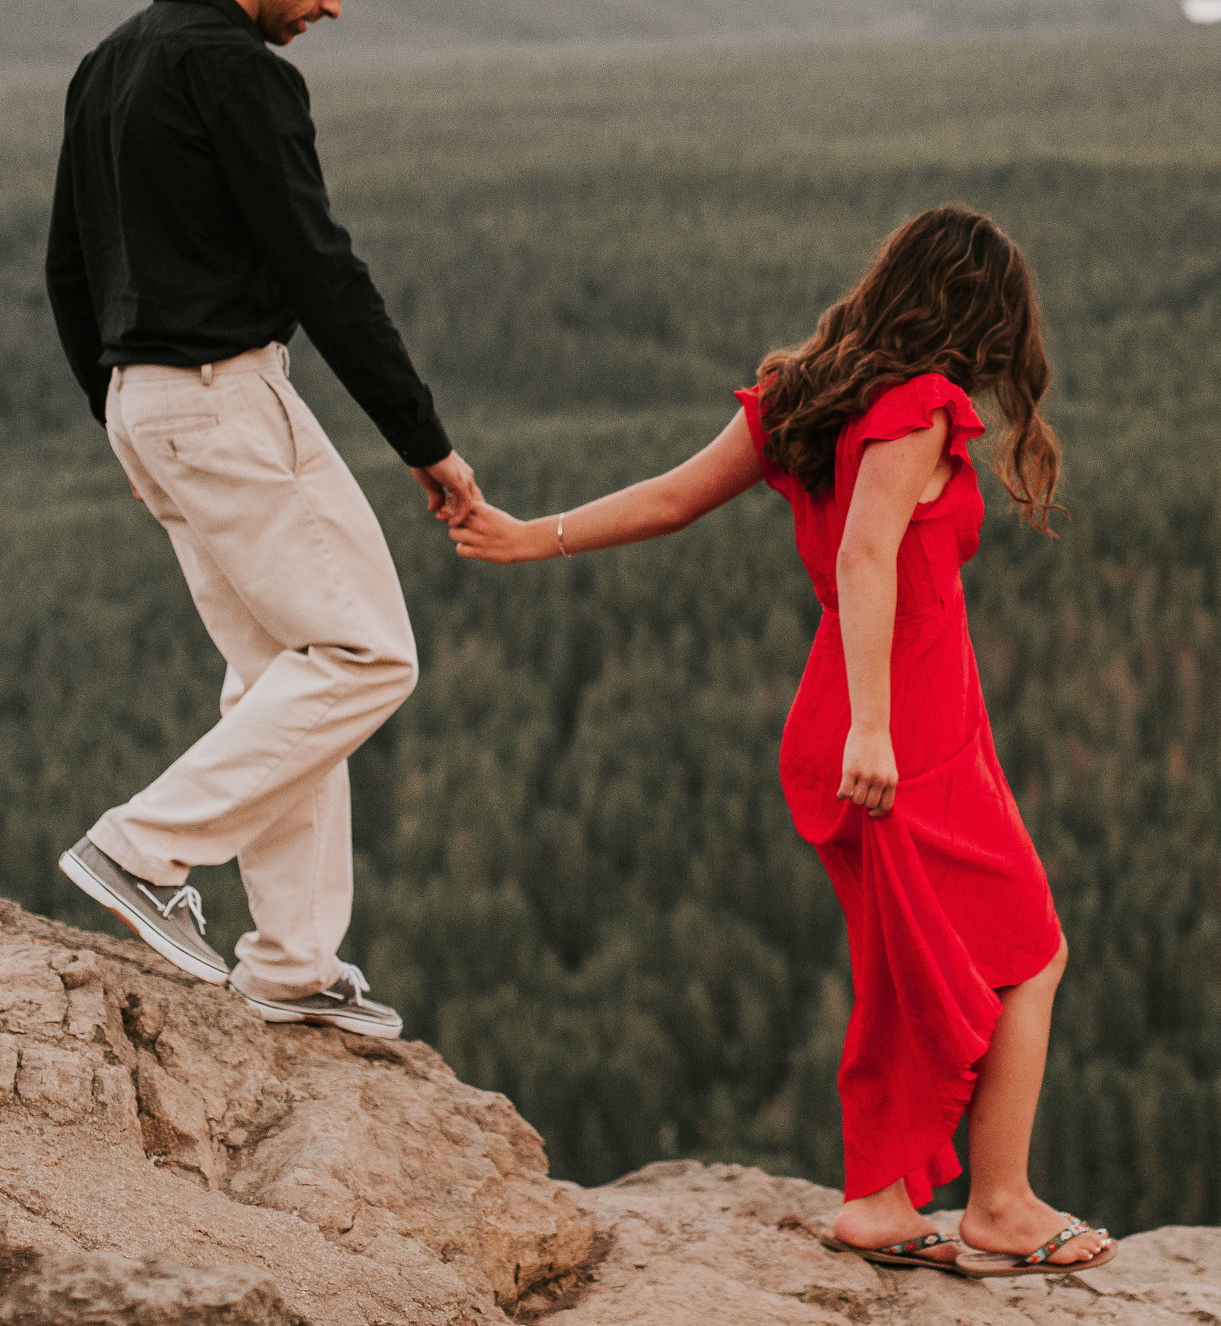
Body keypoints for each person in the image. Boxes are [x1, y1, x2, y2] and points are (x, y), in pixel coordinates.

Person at [451, 205, 1114, 1275]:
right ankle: (999, 1204)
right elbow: (864, 556)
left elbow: (672, 498)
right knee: (1028, 952)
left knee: (909, 962)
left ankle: (884, 1202)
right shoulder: (918, 409)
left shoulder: (802, 396)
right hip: (898, 729)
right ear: (974, 314)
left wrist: (534, 534)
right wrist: (873, 726)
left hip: (859, 724)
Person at [44, 0, 477, 1041]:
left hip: (150, 403)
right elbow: (317, 266)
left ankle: (290, 960)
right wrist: (423, 439)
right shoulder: (240, 74)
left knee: (277, 673)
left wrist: (130, 411)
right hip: (223, 398)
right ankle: (143, 846)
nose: (335, 2)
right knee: (367, 654)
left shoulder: (108, 61)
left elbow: (68, 268)